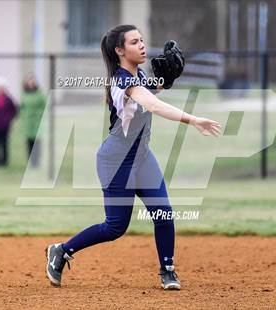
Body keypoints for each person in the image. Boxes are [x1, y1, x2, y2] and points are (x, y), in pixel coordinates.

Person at [45, 25, 221, 290]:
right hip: (116, 162)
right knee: (115, 227)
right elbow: (151, 104)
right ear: (119, 51)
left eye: (142, 40)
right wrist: (193, 119)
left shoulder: (137, 74)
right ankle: (61, 250)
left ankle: (168, 270)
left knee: (164, 213)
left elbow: (152, 92)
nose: (142, 45)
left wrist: (165, 82)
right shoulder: (121, 80)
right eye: (134, 42)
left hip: (141, 158)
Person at [19, 74, 46, 167]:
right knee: (29, 142)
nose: (31, 82)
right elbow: (21, 107)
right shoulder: (24, 93)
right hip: (27, 122)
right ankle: (31, 162)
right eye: (29, 80)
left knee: (37, 142)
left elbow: (44, 105)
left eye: (32, 80)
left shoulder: (39, 93)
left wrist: (38, 113)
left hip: (37, 121)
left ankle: (36, 161)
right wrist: (23, 115)